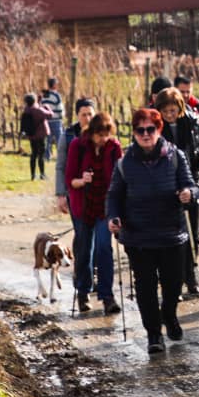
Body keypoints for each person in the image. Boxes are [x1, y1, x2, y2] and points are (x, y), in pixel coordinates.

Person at [106, 106, 199, 353]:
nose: (146, 134)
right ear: (134, 133)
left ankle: (169, 315)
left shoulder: (175, 156)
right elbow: (114, 195)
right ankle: (153, 335)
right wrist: (114, 217)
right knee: (145, 287)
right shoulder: (125, 163)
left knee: (173, 284)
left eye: (151, 129)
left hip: (172, 233)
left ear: (159, 130)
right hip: (138, 236)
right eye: (140, 130)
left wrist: (189, 194)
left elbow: (191, 185)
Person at [155, 87, 199, 296]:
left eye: (173, 110)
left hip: (193, 181)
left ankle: (190, 275)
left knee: (193, 235)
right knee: (174, 235)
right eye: (166, 111)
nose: (170, 115)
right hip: (167, 187)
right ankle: (177, 279)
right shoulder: (155, 127)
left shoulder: (192, 122)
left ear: (180, 108)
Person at [65, 111, 123, 315]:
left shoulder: (114, 147)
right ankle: (83, 292)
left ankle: (107, 296)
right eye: (99, 135)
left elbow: (121, 178)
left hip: (105, 207)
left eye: (106, 135)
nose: (103, 139)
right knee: (84, 251)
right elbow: (69, 179)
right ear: (91, 133)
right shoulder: (77, 146)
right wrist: (82, 181)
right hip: (83, 205)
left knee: (104, 249)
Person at [55, 98, 95, 216]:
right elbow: (61, 166)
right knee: (81, 232)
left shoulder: (103, 136)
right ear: (77, 115)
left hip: (98, 192)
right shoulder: (67, 137)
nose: (87, 119)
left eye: (90, 114)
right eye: (83, 115)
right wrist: (61, 194)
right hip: (75, 192)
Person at [20, 94, 51, 180]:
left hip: (31, 135)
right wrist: (47, 107)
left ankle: (32, 175)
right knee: (41, 155)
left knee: (33, 154)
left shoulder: (26, 110)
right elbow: (50, 115)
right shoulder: (38, 110)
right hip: (41, 135)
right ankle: (42, 174)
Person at [39, 76, 65, 159]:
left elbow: (41, 106)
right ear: (54, 85)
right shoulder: (56, 95)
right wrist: (62, 116)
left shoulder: (44, 95)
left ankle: (47, 155)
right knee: (59, 140)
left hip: (47, 120)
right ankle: (61, 156)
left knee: (48, 140)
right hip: (56, 120)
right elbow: (59, 108)